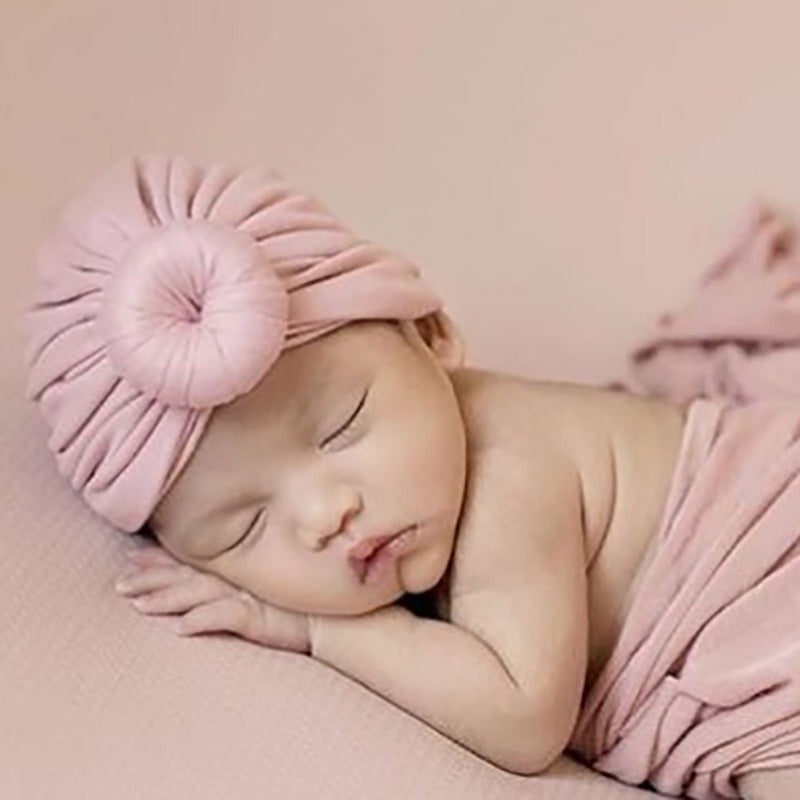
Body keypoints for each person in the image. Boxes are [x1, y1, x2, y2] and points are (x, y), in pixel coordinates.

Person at [24, 154, 800, 799]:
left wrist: (315, 630)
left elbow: (525, 719)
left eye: (343, 426)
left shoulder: (508, 473)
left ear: (432, 337)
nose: (325, 514)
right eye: (244, 526)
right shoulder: (428, 485)